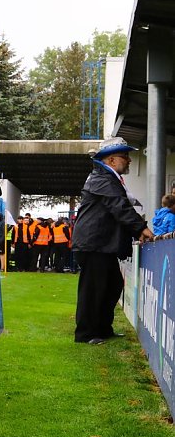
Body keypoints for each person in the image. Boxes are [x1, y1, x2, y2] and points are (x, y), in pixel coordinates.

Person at [72, 137, 153, 345]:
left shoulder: (106, 178)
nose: (129, 160)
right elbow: (119, 207)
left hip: (99, 243)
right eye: (125, 156)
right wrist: (141, 228)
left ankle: (101, 329)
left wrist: (137, 230)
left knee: (112, 285)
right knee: (94, 289)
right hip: (94, 244)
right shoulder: (103, 179)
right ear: (111, 160)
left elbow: (118, 208)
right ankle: (86, 334)